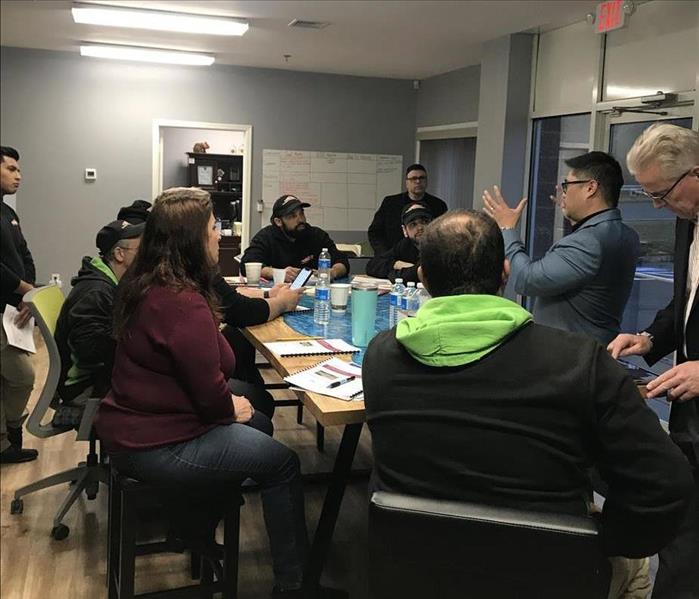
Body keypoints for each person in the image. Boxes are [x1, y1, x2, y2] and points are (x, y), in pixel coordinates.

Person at [363, 210, 693, 597]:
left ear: (422, 277)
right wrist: (603, 539)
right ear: (505, 273)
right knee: (637, 572)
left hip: (415, 569)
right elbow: (667, 484)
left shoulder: (381, 356)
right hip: (551, 573)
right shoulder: (580, 362)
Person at [93, 187, 311, 597]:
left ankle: (194, 521)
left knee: (259, 419)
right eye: (213, 228)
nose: (219, 235)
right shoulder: (182, 301)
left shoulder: (150, 283)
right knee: (283, 463)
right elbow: (212, 394)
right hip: (158, 442)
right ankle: (293, 586)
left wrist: (233, 404)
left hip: (135, 424)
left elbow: (209, 367)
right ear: (192, 238)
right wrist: (231, 408)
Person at [607, 123, 699, 599]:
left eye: (662, 194)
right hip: (690, 416)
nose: (660, 207)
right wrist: (647, 338)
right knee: (681, 542)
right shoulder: (690, 219)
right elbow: (685, 302)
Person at [483, 151, 640, 345]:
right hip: (592, 350)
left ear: (590, 188)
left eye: (566, 185)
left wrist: (507, 228)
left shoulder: (588, 242)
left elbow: (526, 280)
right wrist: (573, 213)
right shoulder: (625, 234)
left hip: (571, 358)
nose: (562, 192)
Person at [53, 219, 144, 425]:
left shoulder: (108, 284)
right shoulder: (95, 292)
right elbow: (90, 350)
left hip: (93, 379)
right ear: (120, 254)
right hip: (84, 388)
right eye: (140, 249)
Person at [1, 145, 38, 464]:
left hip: (15, 309)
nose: (18, 175)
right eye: (11, 169)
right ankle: (9, 436)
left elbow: (24, 254)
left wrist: (30, 290)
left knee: (10, 378)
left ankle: (6, 443)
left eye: (19, 169)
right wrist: (24, 288)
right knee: (21, 376)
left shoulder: (8, 213)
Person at [241, 194, 349, 282]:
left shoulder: (316, 235)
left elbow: (342, 261)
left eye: (301, 213)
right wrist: (278, 273)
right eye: (292, 216)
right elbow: (247, 265)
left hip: (314, 291)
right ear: (278, 222)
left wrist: (332, 272)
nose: (300, 220)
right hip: (278, 293)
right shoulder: (266, 237)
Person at [368, 163, 447, 255]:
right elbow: (375, 233)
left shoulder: (439, 205)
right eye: (413, 178)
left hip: (426, 257)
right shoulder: (390, 203)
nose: (418, 181)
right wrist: (385, 255)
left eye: (421, 178)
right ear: (406, 183)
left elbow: (443, 236)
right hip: (393, 257)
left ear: (426, 181)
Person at [366, 202, 432, 283]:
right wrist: (396, 264)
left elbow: (425, 272)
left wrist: (395, 274)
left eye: (424, 222)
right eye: (413, 224)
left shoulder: (440, 245)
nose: (420, 228)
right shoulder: (405, 245)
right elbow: (372, 265)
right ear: (405, 230)